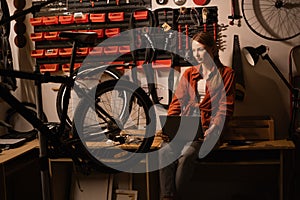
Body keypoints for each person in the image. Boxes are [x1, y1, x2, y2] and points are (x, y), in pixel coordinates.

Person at [158, 31, 235, 200]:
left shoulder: (226, 74)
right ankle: (167, 197)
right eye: (194, 51)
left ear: (213, 50)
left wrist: (215, 127)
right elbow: (176, 103)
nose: (197, 54)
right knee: (164, 153)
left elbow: (225, 107)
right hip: (185, 127)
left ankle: (175, 197)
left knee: (187, 157)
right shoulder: (189, 73)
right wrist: (170, 125)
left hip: (208, 129)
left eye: (201, 49)